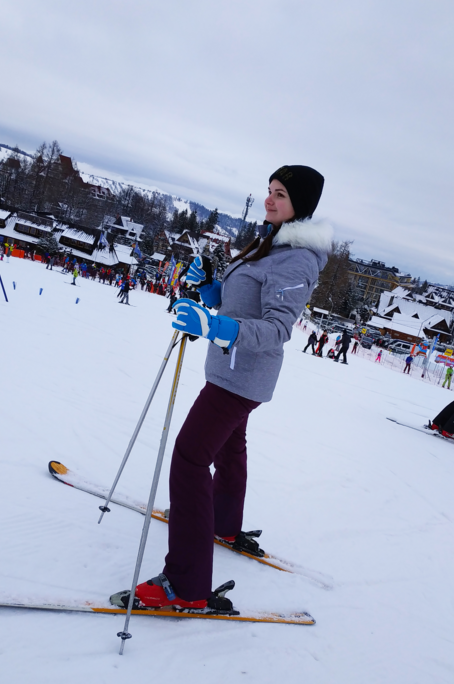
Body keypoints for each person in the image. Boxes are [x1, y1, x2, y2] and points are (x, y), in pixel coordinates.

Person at [129, 164, 330, 611]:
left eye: (281, 194)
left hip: (241, 378)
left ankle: (186, 584)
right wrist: (209, 290)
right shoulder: (271, 242)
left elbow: (276, 328)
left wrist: (217, 327)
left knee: (189, 458)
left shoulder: (296, 257)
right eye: (269, 190)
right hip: (231, 369)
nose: (270, 199)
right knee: (229, 446)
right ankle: (221, 522)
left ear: (302, 205)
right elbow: (242, 303)